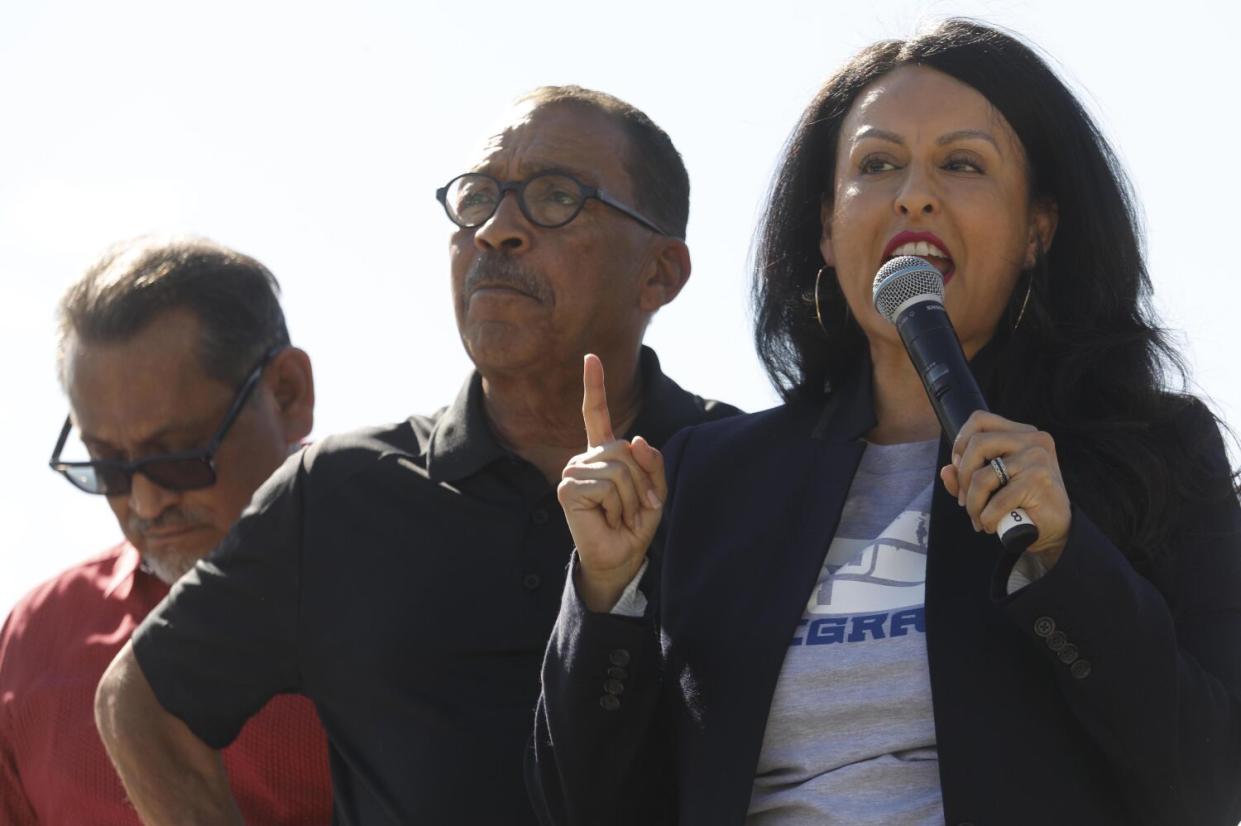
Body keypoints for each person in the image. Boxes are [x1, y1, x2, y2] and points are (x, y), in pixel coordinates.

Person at [533, 20, 1241, 826]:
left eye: (962, 164)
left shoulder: (1149, 453)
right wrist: (604, 594)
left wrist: (1063, 560)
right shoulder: (709, 475)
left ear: (1036, 229)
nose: (913, 193)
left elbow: (1208, 781)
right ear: (828, 231)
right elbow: (582, 805)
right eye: (876, 165)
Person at [94, 86, 739, 824]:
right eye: (476, 199)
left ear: (660, 272)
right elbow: (139, 702)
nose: (496, 231)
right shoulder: (337, 494)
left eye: (555, 198)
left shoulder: (751, 479)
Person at [0, 237, 331, 825]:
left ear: (288, 394)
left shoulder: (428, 602)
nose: (147, 503)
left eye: (179, 455)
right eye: (107, 467)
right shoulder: (34, 640)